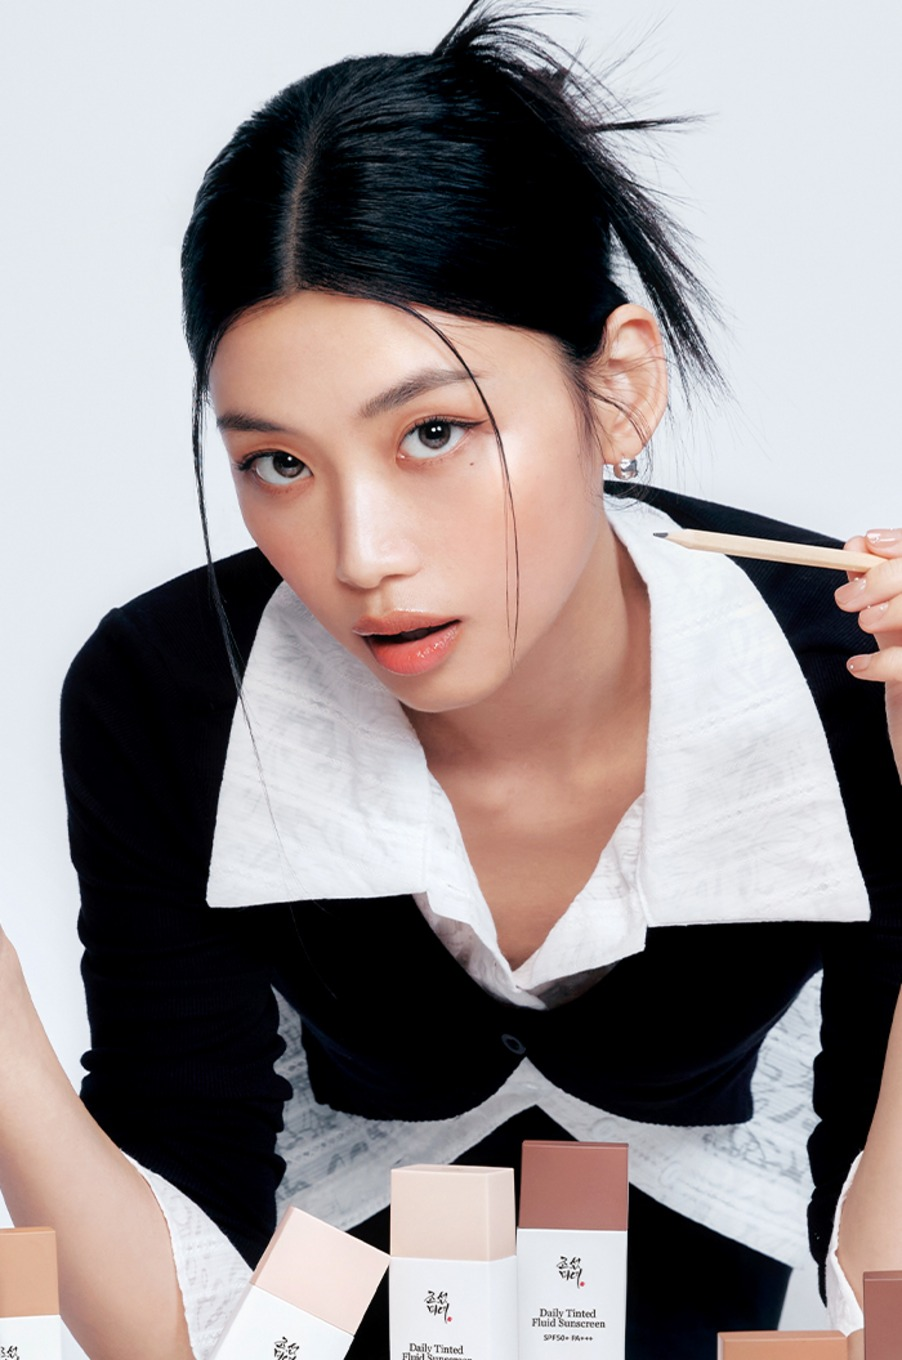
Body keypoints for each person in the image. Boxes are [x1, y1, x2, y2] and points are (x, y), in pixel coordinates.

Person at [1, 3, 901, 1358]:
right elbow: (174, 1305)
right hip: (339, 1231)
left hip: (734, 1222)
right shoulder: (168, 688)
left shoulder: (845, 670)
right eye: (278, 464)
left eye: (433, 432)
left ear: (616, 390)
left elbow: (881, 1306)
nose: (360, 555)